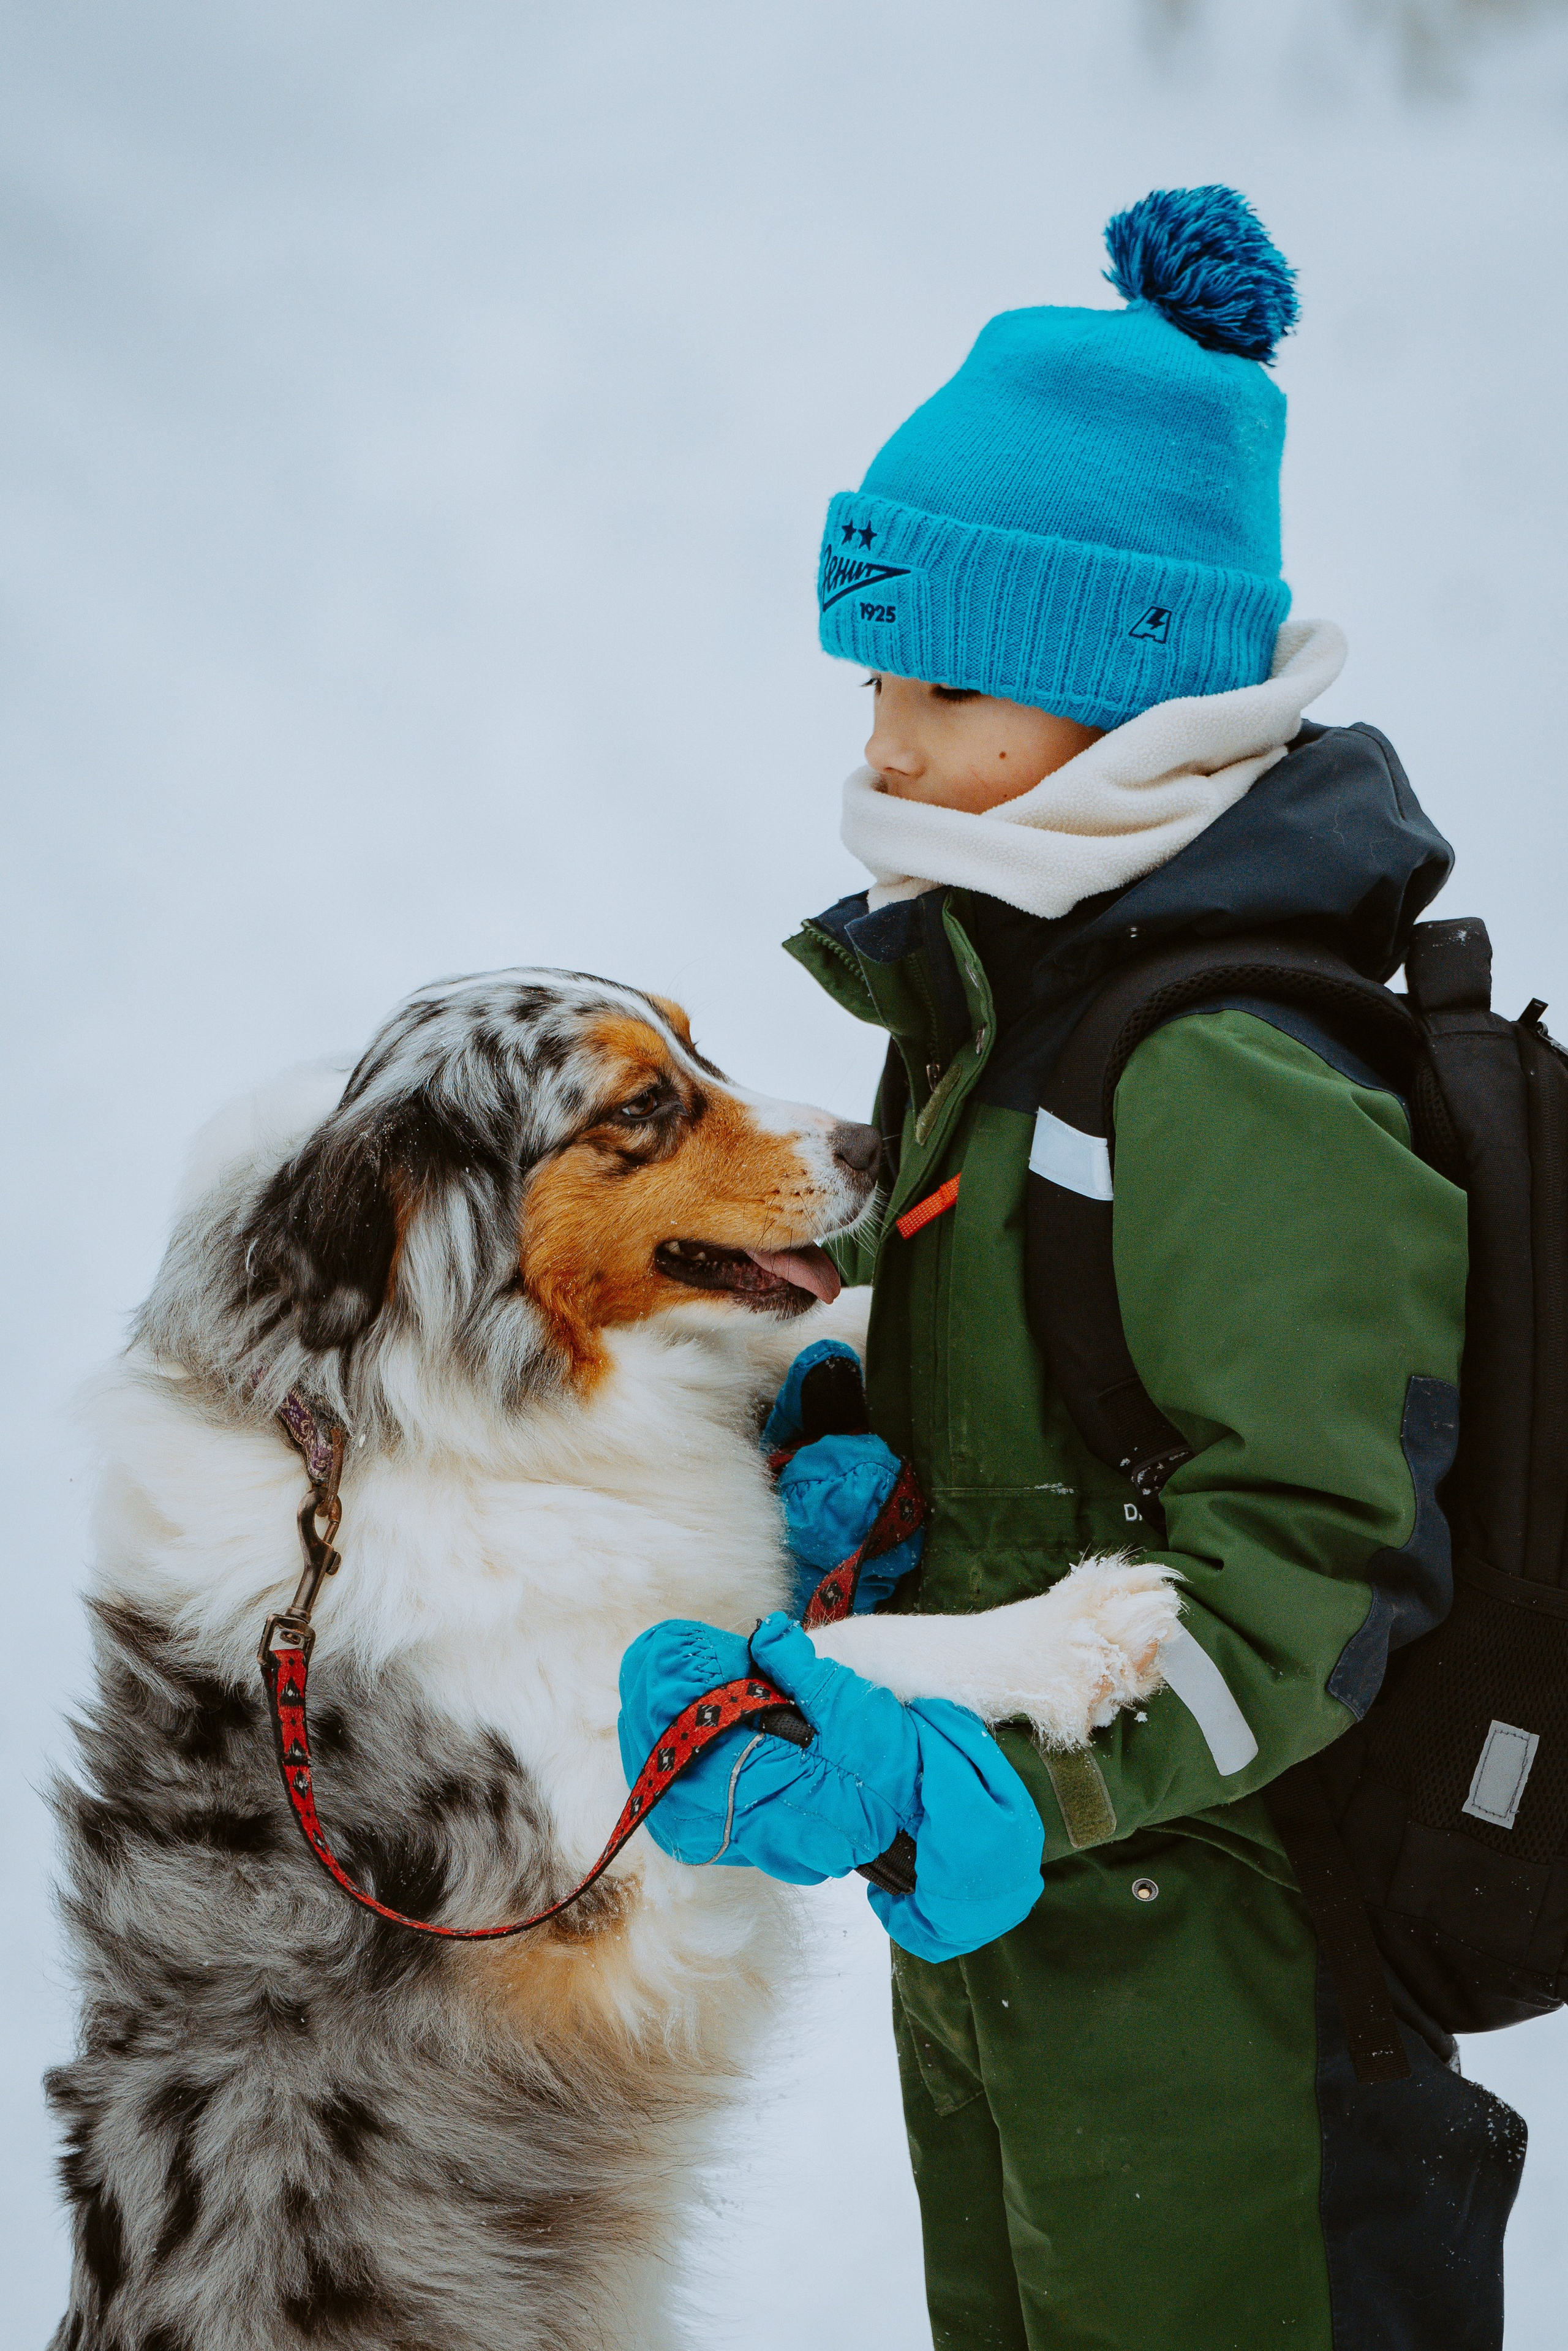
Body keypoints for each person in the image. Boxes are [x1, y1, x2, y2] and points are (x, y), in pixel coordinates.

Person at [624, 187, 1526, 2347]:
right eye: (869, 678)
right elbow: (1043, 1398)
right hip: (1032, 1960)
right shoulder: (1006, 1001)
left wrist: (992, 1772)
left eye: (939, 686)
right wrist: (865, 1476)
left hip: (1247, 1977)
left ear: (1121, 689)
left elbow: (1316, 1550)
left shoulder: (1221, 1066)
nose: (881, 744)